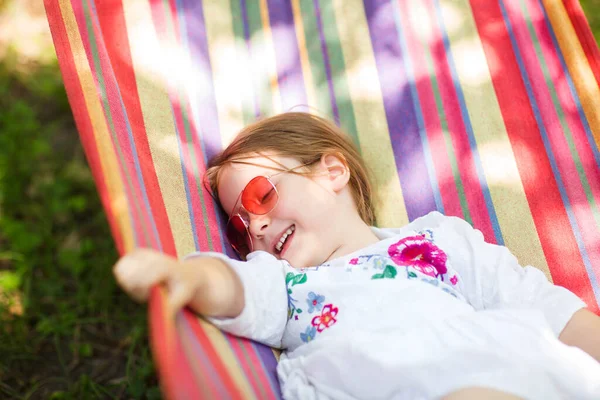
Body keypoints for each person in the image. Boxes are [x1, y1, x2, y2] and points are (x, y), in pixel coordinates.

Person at [114, 112, 600, 399]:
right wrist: (184, 274)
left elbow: (545, 308)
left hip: (506, 375)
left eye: (261, 196)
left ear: (331, 171)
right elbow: (233, 287)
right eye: (239, 231)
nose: (256, 227)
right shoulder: (288, 288)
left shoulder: (438, 241)